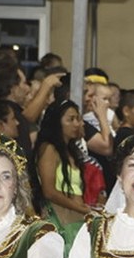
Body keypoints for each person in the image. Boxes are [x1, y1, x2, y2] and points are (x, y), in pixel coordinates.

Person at [34, 100, 91, 242]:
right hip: (61, 217)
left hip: (74, 217)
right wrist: (81, 209)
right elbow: (49, 191)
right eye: (70, 119)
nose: (77, 124)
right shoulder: (49, 149)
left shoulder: (71, 150)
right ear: (56, 122)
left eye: (77, 119)